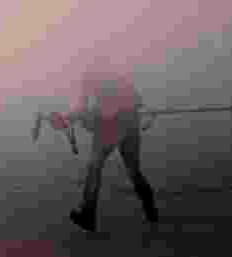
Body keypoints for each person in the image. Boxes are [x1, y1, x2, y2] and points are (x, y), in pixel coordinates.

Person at [50, 65, 159, 232]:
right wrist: (67, 118)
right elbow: (83, 107)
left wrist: (72, 118)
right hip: (117, 126)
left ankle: (90, 213)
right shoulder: (100, 74)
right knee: (121, 170)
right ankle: (148, 208)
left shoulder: (108, 75)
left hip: (119, 126)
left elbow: (132, 101)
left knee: (110, 169)